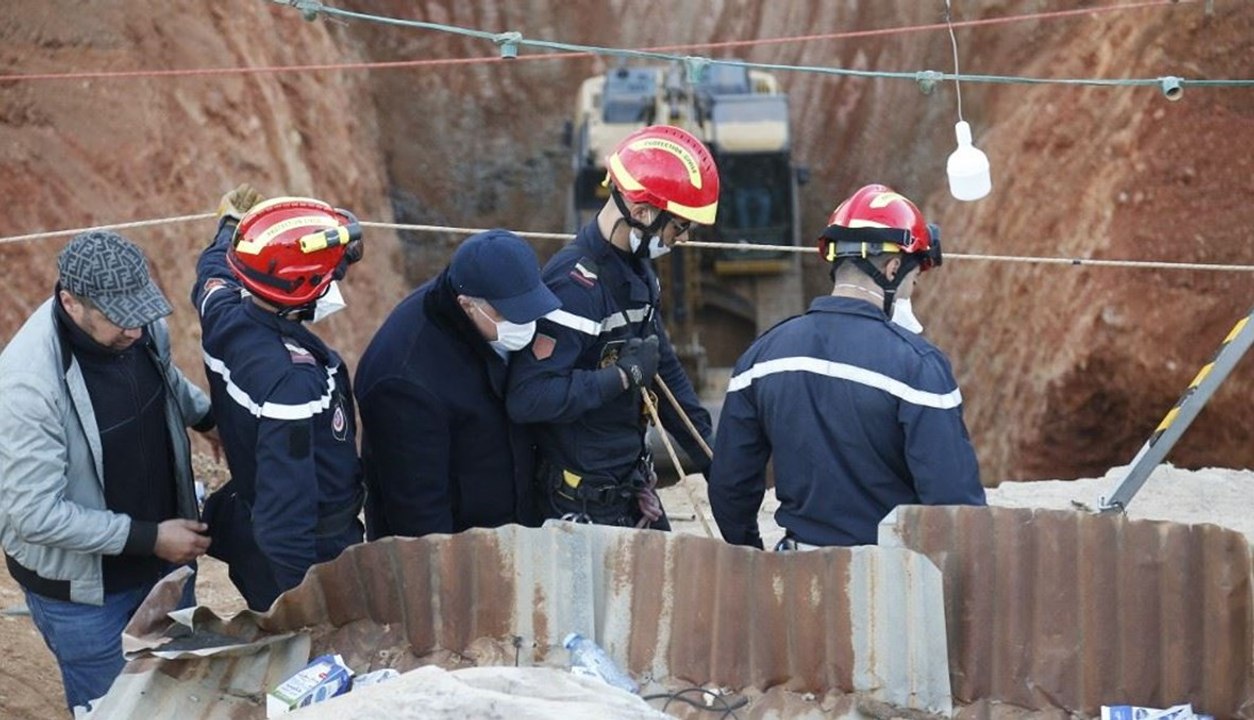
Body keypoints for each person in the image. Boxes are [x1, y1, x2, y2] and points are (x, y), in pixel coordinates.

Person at [0, 231, 214, 714]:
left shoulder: (136, 324)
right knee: (115, 708)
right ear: (71, 303)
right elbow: (34, 515)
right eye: (120, 318)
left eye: (141, 314)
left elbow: (165, 378)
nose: (136, 331)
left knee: (177, 692)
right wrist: (151, 538)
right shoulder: (27, 387)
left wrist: (206, 419)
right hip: (85, 599)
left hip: (164, 565)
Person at [708, 184, 985, 550]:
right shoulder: (919, 367)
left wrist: (752, 553)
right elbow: (955, 505)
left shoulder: (761, 357)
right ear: (892, 269)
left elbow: (730, 487)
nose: (911, 292)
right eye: (913, 281)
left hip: (797, 571)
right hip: (891, 573)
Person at [507, 125, 719, 529]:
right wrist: (620, 377)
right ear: (642, 213)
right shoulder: (575, 287)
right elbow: (529, 397)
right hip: (582, 503)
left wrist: (708, 451)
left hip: (628, 482)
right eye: (679, 226)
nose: (683, 238)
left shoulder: (638, 273)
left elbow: (661, 365)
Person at [191, 185, 365, 611]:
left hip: (252, 512)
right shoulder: (292, 383)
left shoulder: (223, 309)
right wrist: (306, 605)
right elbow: (285, 515)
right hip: (311, 551)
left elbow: (213, 267)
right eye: (329, 273)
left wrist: (230, 227)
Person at [355, 230, 561, 540]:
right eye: (510, 314)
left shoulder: (483, 318)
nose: (524, 324)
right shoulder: (404, 379)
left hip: (514, 533)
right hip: (459, 551)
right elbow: (418, 517)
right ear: (467, 305)